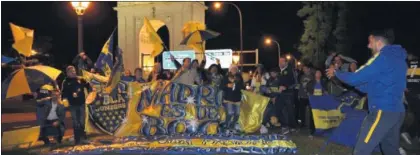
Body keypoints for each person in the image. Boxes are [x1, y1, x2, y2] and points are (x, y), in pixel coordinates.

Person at [326, 29, 407, 155]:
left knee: (361, 150)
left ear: (378, 42)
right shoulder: (400, 60)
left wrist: (336, 72)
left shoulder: (381, 57)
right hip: (397, 112)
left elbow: (355, 78)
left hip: (382, 111)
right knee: (390, 150)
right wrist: (346, 81)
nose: (368, 45)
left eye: (370, 42)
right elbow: (367, 86)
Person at [61, 65, 90, 145]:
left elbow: (88, 86)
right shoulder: (65, 82)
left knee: (82, 121)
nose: (74, 72)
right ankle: (77, 140)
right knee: (75, 122)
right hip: (72, 105)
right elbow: (63, 94)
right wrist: (69, 96)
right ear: (67, 73)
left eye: (74, 70)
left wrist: (91, 89)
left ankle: (83, 138)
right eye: (71, 71)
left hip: (81, 103)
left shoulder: (80, 79)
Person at [277, 56, 298, 134]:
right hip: (281, 94)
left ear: (286, 62)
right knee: (278, 109)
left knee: (290, 111)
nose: (280, 63)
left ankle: (292, 127)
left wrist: (286, 87)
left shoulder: (290, 70)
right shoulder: (280, 71)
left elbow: (295, 82)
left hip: (289, 93)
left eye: (282, 61)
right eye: (279, 61)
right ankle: (285, 126)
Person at [220, 64, 244, 131]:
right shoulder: (226, 77)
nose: (234, 70)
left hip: (237, 99)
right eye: (232, 69)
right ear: (230, 70)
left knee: (237, 113)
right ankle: (227, 125)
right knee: (230, 113)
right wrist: (227, 85)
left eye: (235, 69)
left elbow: (242, 87)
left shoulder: (239, 78)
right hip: (228, 98)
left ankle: (232, 126)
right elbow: (221, 87)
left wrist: (236, 85)